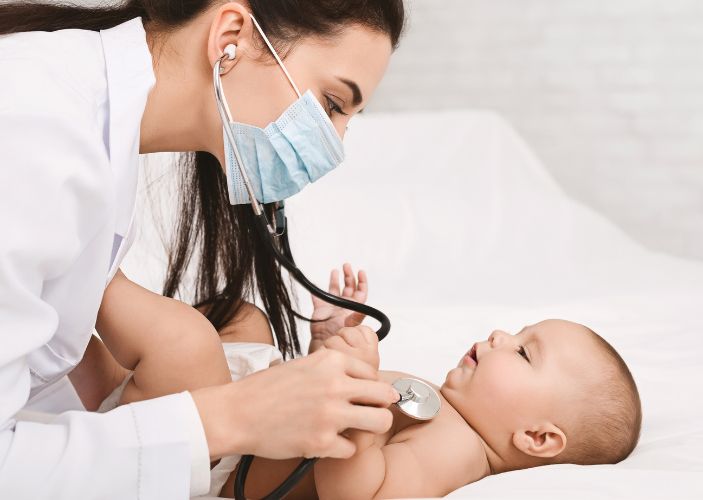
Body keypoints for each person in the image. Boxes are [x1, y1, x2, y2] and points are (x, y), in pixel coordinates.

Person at [0, 1, 405, 497]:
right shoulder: (36, 131)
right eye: (333, 105)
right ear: (231, 35)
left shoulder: (90, 128)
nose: (334, 144)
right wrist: (238, 416)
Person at [94, 264, 643, 499]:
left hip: (220, 454)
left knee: (185, 342)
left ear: (537, 438)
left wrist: (358, 394)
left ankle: (91, 278)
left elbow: (358, 491)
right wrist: (326, 347)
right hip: (255, 396)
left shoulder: (457, 451)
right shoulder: (453, 411)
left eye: (524, 352)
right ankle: (118, 372)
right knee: (243, 315)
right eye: (517, 331)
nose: (501, 334)